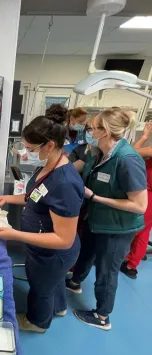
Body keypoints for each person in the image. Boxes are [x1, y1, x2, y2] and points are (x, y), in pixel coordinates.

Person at [0, 111, 84, 333]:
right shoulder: (47, 168)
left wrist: (15, 234)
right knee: (53, 283)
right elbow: (34, 197)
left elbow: (64, 239)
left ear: (50, 145)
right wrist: (9, 199)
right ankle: (59, 307)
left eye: (31, 149)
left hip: (54, 252)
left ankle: (37, 323)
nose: (27, 153)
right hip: (42, 248)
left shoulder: (64, 183)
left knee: (41, 288)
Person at [66, 108, 147, 330]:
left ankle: (102, 316)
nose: (87, 132)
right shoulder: (98, 152)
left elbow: (140, 206)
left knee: (106, 270)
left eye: (91, 128)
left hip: (117, 228)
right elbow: (81, 170)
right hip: (96, 219)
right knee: (86, 253)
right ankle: (74, 282)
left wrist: (95, 197)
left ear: (105, 131)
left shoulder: (127, 160)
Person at [121, 122, 152, 279]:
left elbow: (131, 152)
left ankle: (125, 261)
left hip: (148, 195)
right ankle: (132, 264)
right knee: (144, 231)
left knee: (135, 229)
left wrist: (145, 136)